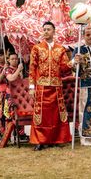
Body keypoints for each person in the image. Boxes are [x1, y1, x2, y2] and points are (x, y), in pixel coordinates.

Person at [28, 21, 73, 151]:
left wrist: (74, 62)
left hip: (56, 87)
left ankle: (56, 139)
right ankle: (40, 141)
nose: (46, 31)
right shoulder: (37, 48)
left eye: (48, 29)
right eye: (44, 29)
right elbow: (32, 68)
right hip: (41, 87)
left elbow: (64, 68)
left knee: (56, 115)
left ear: (54, 31)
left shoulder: (60, 49)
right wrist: (31, 87)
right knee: (41, 115)